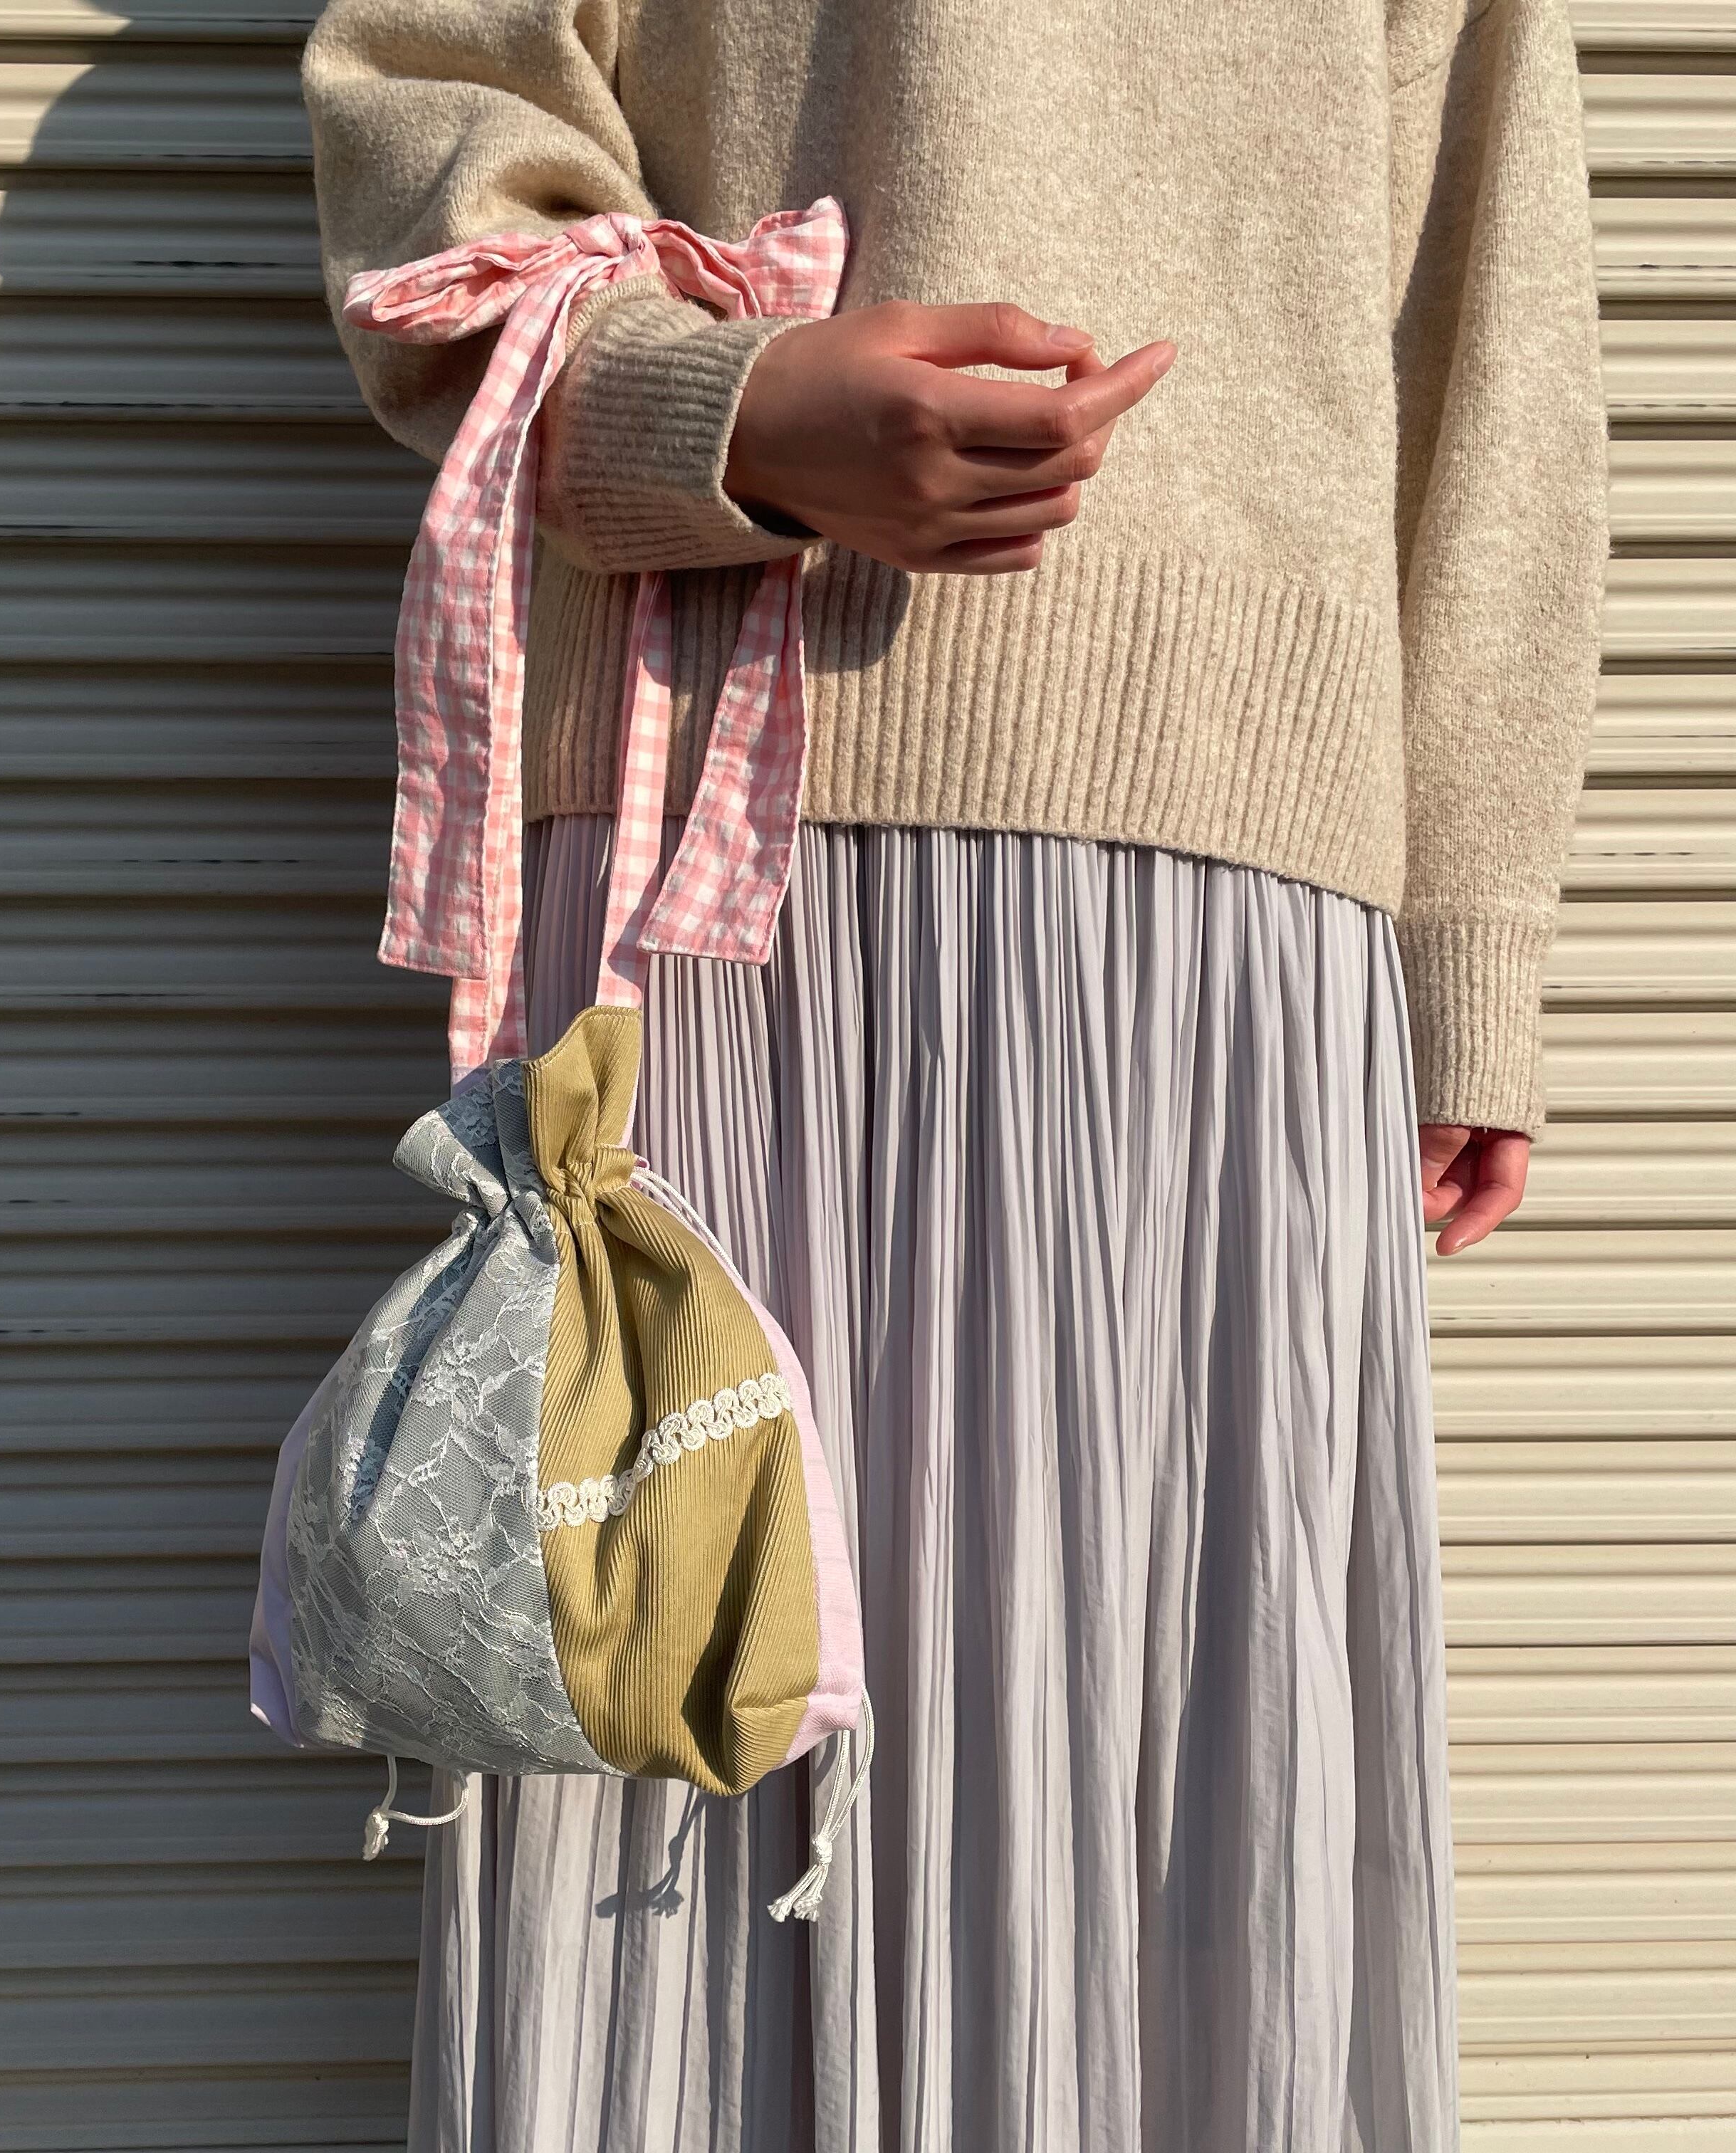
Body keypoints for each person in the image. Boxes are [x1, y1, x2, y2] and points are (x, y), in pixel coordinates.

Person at [300, 1, 1609, 2146]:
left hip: (1237, 883)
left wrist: (1470, 942)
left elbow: (1493, 344)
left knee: (1165, 1764)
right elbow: (439, 119)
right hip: (717, 829)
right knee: (676, 1698)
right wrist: (714, 404)